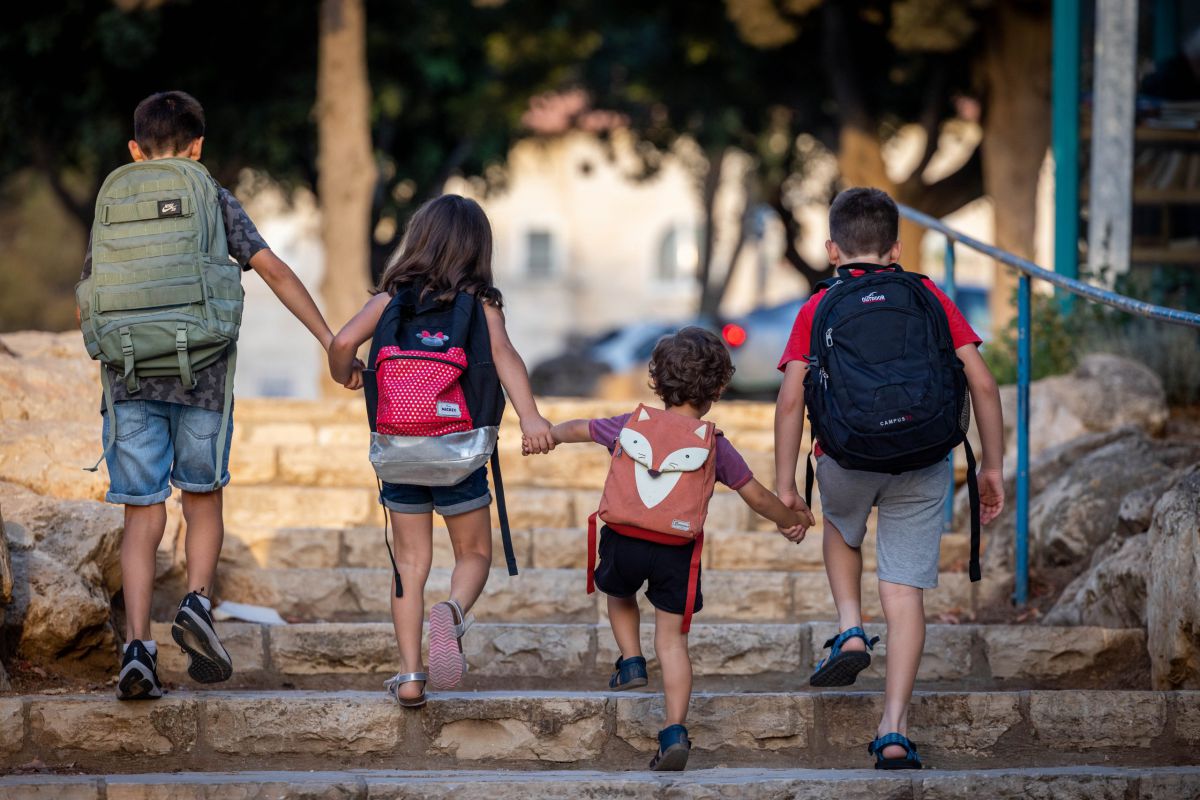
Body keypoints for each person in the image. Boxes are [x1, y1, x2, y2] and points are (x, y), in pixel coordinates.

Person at [81, 91, 343, 700]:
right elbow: (272, 268)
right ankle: (197, 601)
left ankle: (138, 645)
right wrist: (329, 338)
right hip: (201, 375)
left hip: (129, 377)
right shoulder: (213, 196)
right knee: (202, 497)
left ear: (133, 149)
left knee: (141, 512)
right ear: (199, 147)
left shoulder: (116, 201)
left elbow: (87, 297)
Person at [774, 187, 1006, 768]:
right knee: (903, 593)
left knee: (842, 529)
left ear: (832, 250)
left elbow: (789, 400)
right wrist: (994, 465)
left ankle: (850, 627)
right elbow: (981, 382)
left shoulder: (818, 306)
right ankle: (894, 729)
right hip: (924, 458)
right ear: (897, 249)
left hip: (846, 458)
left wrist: (784, 486)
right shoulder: (928, 294)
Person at [544, 327, 815, 770]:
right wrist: (790, 521)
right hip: (676, 550)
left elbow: (580, 428)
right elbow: (757, 495)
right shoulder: (714, 444)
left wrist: (549, 434)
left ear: (656, 382)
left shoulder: (631, 425)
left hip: (625, 539)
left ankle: (631, 659)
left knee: (618, 592)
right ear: (719, 389)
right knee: (672, 642)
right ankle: (674, 730)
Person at [328, 194, 554, 708]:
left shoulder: (389, 301)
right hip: (459, 450)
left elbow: (342, 343)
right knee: (473, 553)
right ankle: (450, 612)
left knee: (409, 563)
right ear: (478, 248)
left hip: (399, 449)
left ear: (419, 239)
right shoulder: (482, 304)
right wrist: (532, 418)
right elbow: (506, 358)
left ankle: (410, 676)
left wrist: (347, 375)